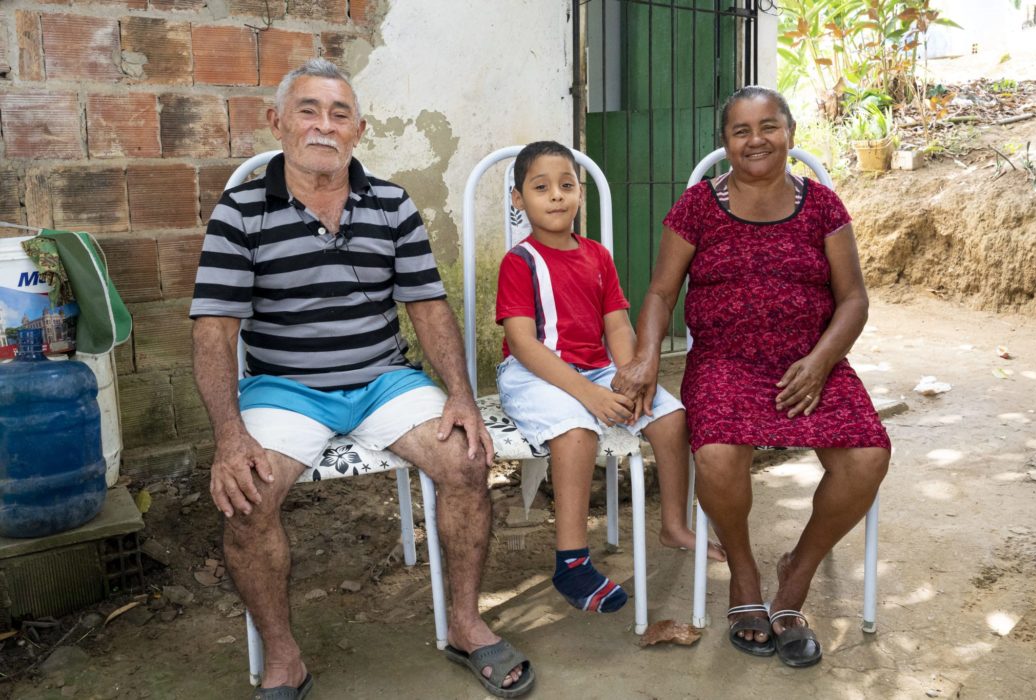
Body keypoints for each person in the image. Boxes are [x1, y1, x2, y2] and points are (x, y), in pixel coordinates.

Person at [190, 59, 533, 699]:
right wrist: (229, 435)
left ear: (358, 129)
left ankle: (464, 623)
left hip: (384, 379)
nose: (324, 125)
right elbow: (214, 332)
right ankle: (285, 657)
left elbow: (426, 307)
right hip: (285, 388)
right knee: (247, 498)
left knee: (466, 460)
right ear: (279, 122)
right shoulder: (240, 211)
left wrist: (460, 394)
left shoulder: (391, 202)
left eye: (339, 113)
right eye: (309, 111)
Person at [613, 86, 891, 667]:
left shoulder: (822, 207)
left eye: (769, 126)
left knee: (867, 456)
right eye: (741, 130)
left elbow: (855, 300)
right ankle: (744, 574)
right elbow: (662, 292)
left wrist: (820, 361)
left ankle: (795, 576)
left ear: (790, 133)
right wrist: (643, 357)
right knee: (716, 455)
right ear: (726, 142)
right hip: (725, 361)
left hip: (810, 364)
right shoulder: (696, 207)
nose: (756, 139)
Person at [494, 141, 725, 615]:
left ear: (581, 194)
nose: (556, 196)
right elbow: (523, 344)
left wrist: (631, 378)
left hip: (598, 370)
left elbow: (617, 324)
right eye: (541, 187)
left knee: (671, 416)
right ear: (518, 199)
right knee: (576, 431)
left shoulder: (597, 255)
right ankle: (572, 561)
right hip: (533, 373)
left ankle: (675, 524)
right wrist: (590, 395)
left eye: (567, 185)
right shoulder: (520, 262)